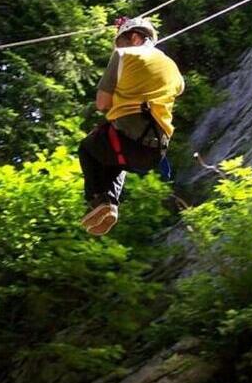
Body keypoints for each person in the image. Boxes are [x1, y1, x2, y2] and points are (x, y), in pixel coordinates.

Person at [78, 16, 184, 236]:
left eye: (120, 41)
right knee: (114, 157)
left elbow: (102, 104)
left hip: (129, 135)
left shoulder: (123, 55)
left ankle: (99, 199)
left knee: (89, 148)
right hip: (155, 150)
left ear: (135, 37)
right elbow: (176, 89)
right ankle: (110, 205)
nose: (117, 47)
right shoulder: (174, 70)